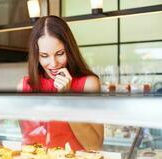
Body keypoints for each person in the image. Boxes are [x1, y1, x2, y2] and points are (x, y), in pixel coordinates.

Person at [17, 16, 103, 150]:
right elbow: (28, 141)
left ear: (69, 50)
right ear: (36, 55)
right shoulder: (24, 86)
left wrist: (67, 98)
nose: (53, 63)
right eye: (44, 56)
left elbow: (95, 146)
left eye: (60, 53)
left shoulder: (89, 84)